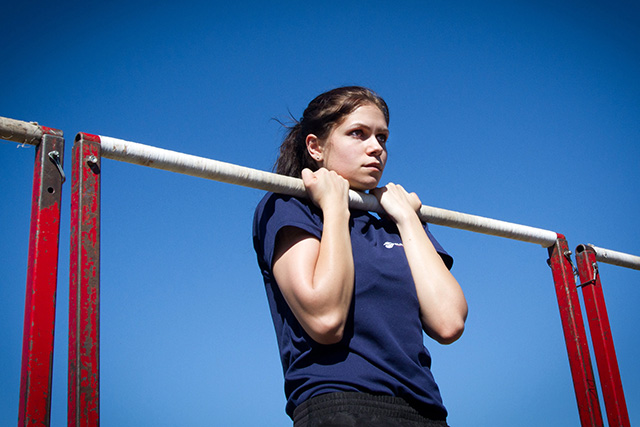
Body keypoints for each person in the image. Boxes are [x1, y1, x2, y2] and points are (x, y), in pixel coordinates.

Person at [253, 86, 467, 427]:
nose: (376, 148)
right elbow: (325, 320)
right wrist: (335, 207)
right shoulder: (288, 205)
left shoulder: (398, 221)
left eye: (382, 137)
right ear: (316, 147)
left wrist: (409, 218)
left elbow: (449, 322)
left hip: (426, 411)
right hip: (340, 406)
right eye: (358, 134)